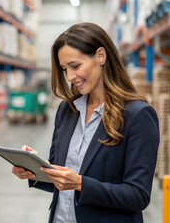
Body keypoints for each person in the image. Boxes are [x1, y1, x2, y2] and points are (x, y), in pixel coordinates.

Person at [12, 22, 160, 223]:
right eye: (65, 69)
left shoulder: (137, 115)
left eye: (75, 66)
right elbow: (61, 179)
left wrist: (81, 184)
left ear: (101, 55)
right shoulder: (68, 110)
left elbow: (138, 195)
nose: (70, 77)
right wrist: (35, 171)